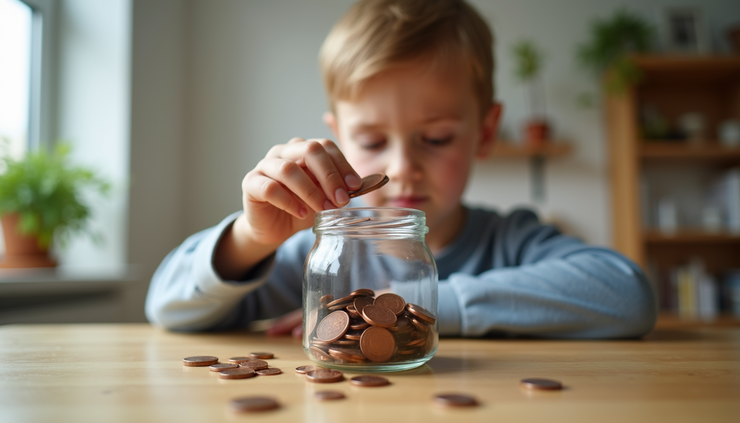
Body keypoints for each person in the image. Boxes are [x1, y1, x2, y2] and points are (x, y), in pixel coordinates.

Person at [145, 0, 656, 338]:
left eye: (435, 138)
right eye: (370, 140)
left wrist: (415, 309)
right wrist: (251, 237)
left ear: (484, 133)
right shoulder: (317, 249)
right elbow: (166, 308)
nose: (403, 167)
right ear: (340, 136)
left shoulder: (511, 239)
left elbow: (627, 294)